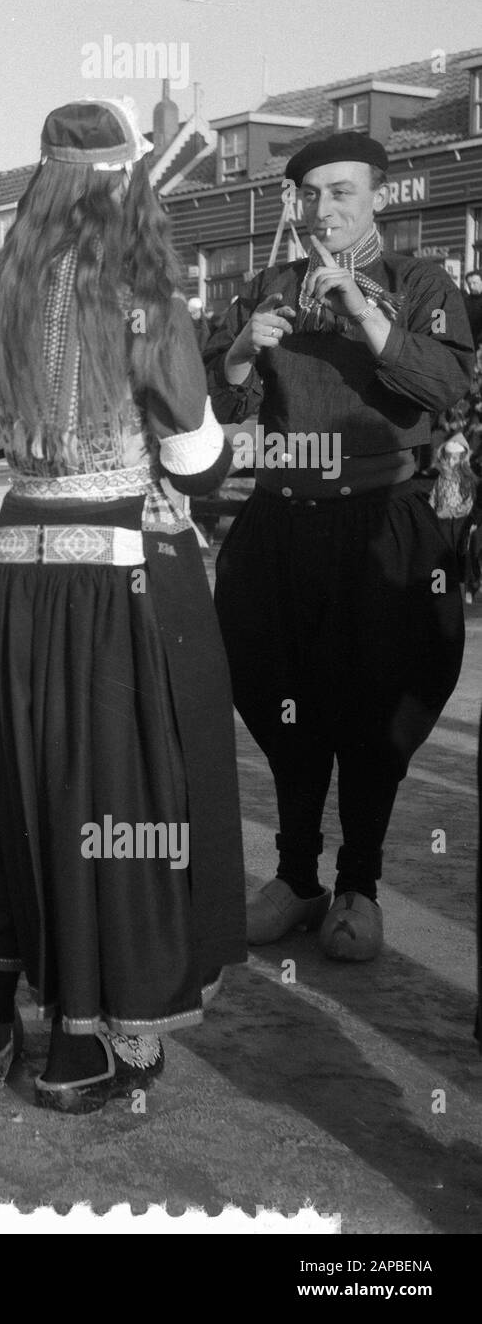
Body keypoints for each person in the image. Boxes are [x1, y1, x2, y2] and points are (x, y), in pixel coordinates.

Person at [0, 100, 245, 1111]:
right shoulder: (142, 285)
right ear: (122, 183)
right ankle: (82, 1037)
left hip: (17, 562)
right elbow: (197, 459)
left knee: (19, 787)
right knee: (107, 801)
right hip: (114, 566)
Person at [206, 132, 473, 962]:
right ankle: (294, 879)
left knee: (374, 712)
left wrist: (363, 316)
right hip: (282, 524)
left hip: (381, 521)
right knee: (281, 699)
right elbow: (214, 401)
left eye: (344, 193)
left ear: (379, 199)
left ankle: (359, 885)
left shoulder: (420, 281)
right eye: (312, 195)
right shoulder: (270, 283)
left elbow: (450, 388)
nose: (326, 209)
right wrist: (245, 350)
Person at [463, 269, 482, 350]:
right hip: (469, 343)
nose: (471, 286)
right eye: (469, 283)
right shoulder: (465, 300)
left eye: (474, 283)